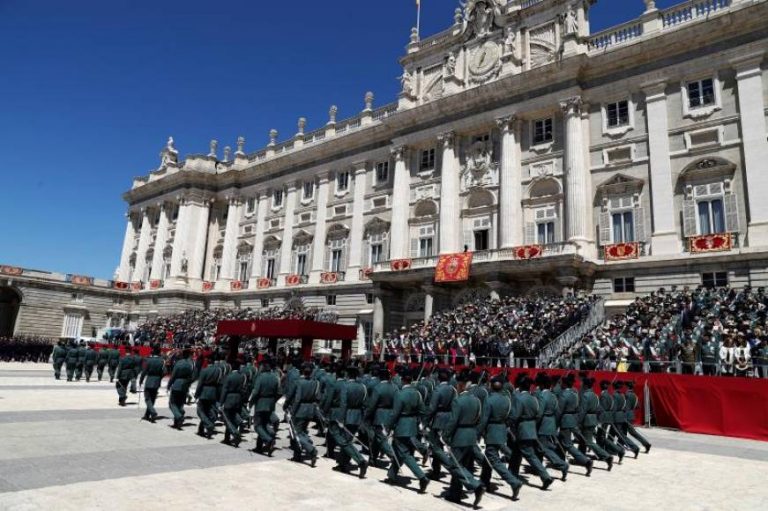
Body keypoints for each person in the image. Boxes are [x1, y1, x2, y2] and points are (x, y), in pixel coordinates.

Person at [442, 370, 485, 507]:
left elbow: (453, 421)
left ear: (461, 384)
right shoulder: (476, 401)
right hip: (471, 435)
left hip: (459, 435)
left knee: (454, 465)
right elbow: (479, 419)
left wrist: (445, 435)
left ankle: (475, 485)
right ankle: (454, 494)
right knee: (462, 465)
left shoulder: (458, 401)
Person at [385, 369, 430, 493]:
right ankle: (392, 475)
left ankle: (422, 477)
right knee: (397, 451)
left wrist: (388, 427)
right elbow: (423, 411)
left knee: (404, 453)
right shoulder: (417, 393)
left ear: (403, 379)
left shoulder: (400, 394)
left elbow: (395, 414)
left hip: (402, 425)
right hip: (412, 426)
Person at [478, 375, 523, 500]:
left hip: (492, 431)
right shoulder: (506, 399)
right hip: (502, 430)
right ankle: (484, 480)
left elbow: (484, 419)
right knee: (489, 457)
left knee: (493, 460)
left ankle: (513, 482)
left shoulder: (489, 399)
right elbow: (512, 416)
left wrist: (477, 433)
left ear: (491, 386)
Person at [509, 374, 553, 490]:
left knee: (529, 455)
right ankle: (512, 473)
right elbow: (538, 414)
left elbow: (515, 415)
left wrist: (509, 423)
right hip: (531, 427)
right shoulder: (534, 398)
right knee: (516, 452)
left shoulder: (519, 398)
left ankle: (545, 476)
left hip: (522, 429)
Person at [534, 373, 569, 481]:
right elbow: (556, 410)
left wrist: (535, 424)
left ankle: (562, 464)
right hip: (551, 423)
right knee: (544, 446)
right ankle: (538, 467)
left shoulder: (543, 395)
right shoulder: (552, 395)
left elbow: (539, 413)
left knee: (543, 448)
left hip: (543, 424)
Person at [557, 373, 593, 476]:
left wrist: (556, 422)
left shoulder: (564, 394)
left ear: (564, 384)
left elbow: (560, 410)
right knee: (562, 441)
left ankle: (586, 461)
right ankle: (560, 459)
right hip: (572, 419)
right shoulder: (574, 393)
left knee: (567, 444)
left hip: (565, 420)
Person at [425, 369, 457, 480]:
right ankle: (436, 470)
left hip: (439, 419)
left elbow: (432, 408)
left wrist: (425, 421)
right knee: (439, 446)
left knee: (436, 447)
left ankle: (445, 469)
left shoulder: (438, 390)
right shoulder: (452, 389)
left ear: (439, 378)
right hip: (449, 417)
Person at [337, 366, 369, 478]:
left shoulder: (346, 386)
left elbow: (343, 404)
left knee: (345, 442)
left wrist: (341, 419)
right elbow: (365, 405)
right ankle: (342, 463)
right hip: (358, 416)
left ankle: (360, 461)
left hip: (348, 416)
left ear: (348, 375)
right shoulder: (363, 387)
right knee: (348, 441)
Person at [364, 367, 398, 470]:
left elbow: (372, 405)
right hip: (391, 414)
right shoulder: (395, 387)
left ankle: (393, 456)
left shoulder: (378, 388)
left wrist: (367, 416)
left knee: (380, 438)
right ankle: (372, 458)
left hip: (380, 414)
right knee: (376, 439)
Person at [286, 364, 320, 466]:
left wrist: (290, 410)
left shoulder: (299, 382)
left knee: (296, 433)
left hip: (300, 409)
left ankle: (311, 450)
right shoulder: (315, 383)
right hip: (310, 410)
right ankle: (297, 454)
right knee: (302, 431)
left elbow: (297, 399)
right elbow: (318, 397)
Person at [577, 375, 613, 470]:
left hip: (586, 420)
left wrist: (578, 421)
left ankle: (607, 457)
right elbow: (599, 409)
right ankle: (581, 457)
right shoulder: (595, 395)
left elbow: (582, 411)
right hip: (593, 419)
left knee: (588, 441)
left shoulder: (585, 395)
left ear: (585, 385)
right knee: (583, 440)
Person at [249, 358, 280, 455]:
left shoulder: (261, 377)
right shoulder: (275, 377)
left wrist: (251, 403)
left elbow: (256, 392)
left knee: (257, 425)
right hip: (270, 404)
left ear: (263, 367)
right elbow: (279, 392)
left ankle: (269, 440)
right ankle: (259, 446)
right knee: (265, 424)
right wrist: (273, 400)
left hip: (261, 402)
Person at [219, 361, 245, 447]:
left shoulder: (229, 377)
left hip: (229, 398)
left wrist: (221, 402)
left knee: (227, 418)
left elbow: (224, 390)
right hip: (238, 398)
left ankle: (233, 434)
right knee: (234, 416)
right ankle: (228, 436)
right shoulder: (241, 377)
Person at [194, 354, 220, 439]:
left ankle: (209, 425)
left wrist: (196, 394)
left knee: (200, 411)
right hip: (213, 391)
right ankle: (201, 429)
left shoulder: (204, 370)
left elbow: (200, 383)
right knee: (209, 411)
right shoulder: (218, 370)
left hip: (205, 391)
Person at [167, 348, 194, 429]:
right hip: (185, 385)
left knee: (172, 403)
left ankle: (179, 416)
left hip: (177, 384)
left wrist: (169, 385)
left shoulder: (179, 363)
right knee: (180, 404)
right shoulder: (190, 364)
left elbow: (173, 375)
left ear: (182, 355)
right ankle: (177, 422)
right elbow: (192, 376)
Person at [623, 380, 651, 453]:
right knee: (626, 431)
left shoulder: (627, 395)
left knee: (629, 432)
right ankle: (624, 444)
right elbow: (637, 406)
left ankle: (645, 444)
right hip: (631, 414)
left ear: (627, 387)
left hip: (626, 415)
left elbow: (625, 406)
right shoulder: (635, 395)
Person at [139, 344, 165, 422]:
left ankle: (153, 412)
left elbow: (144, 372)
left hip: (149, 379)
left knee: (147, 398)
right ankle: (147, 415)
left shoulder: (149, 360)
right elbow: (165, 372)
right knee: (152, 398)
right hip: (157, 380)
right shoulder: (162, 360)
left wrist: (141, 380)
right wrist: (160, 377)